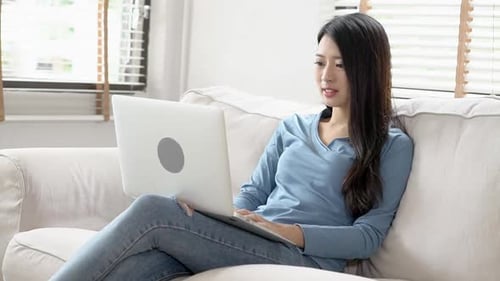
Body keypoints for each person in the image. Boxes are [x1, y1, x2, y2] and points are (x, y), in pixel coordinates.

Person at [50, 13, 413, 281]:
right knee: (136, 268)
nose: (325, 76)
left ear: (367, 70)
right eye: (319, 63)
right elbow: (254, 193)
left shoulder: (391, 145)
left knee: (151, 209)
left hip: (302, 258)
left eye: (341, 65)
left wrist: (287, 232)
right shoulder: (294, 127)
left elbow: (367, 237)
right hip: (251, 237)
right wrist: (220, 215)